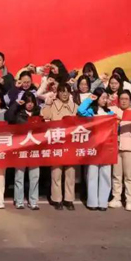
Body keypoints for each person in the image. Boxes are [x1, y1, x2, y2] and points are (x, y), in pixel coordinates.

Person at [41, 83, 78, 211]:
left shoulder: (75, 107)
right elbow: (45, 116)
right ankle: (57, 199)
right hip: (56, 143)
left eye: (67, 91)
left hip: (71, 144)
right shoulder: (53, 105)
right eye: (62, 91)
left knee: (70, 173)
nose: (64, 94)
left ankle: (69, 199)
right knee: (56, 173)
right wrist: (47, 104)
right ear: (58, 93)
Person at [77, 88, 115, 211]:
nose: (105, 100)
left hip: (106, 147)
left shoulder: (110, 113)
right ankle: (92, 202)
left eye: (106, 98)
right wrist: (89, 99)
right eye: (102, 97)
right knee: (92, 174)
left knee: (105, 174)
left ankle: (103, 202)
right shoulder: (90, 112)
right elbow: (80, 110)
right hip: (93, 146)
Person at [5, 93, 42, 210]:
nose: (30, 104)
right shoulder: (18, 113)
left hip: (35, 149)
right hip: (21, 148)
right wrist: (16, 104)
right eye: (27, 101)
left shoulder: (38, 113)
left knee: (35, 176)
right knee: (19, 176)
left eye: (32, 102)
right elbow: (8, 116)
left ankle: (33, 201)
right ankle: (19, 200)